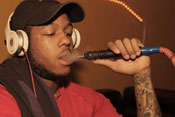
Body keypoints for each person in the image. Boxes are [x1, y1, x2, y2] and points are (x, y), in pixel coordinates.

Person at [0, 0, 161, 117]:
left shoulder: (91, 102)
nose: (66, 40)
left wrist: (141, 73)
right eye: (50, 33)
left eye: (69, 33)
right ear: (20, 43)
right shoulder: (5, 99)